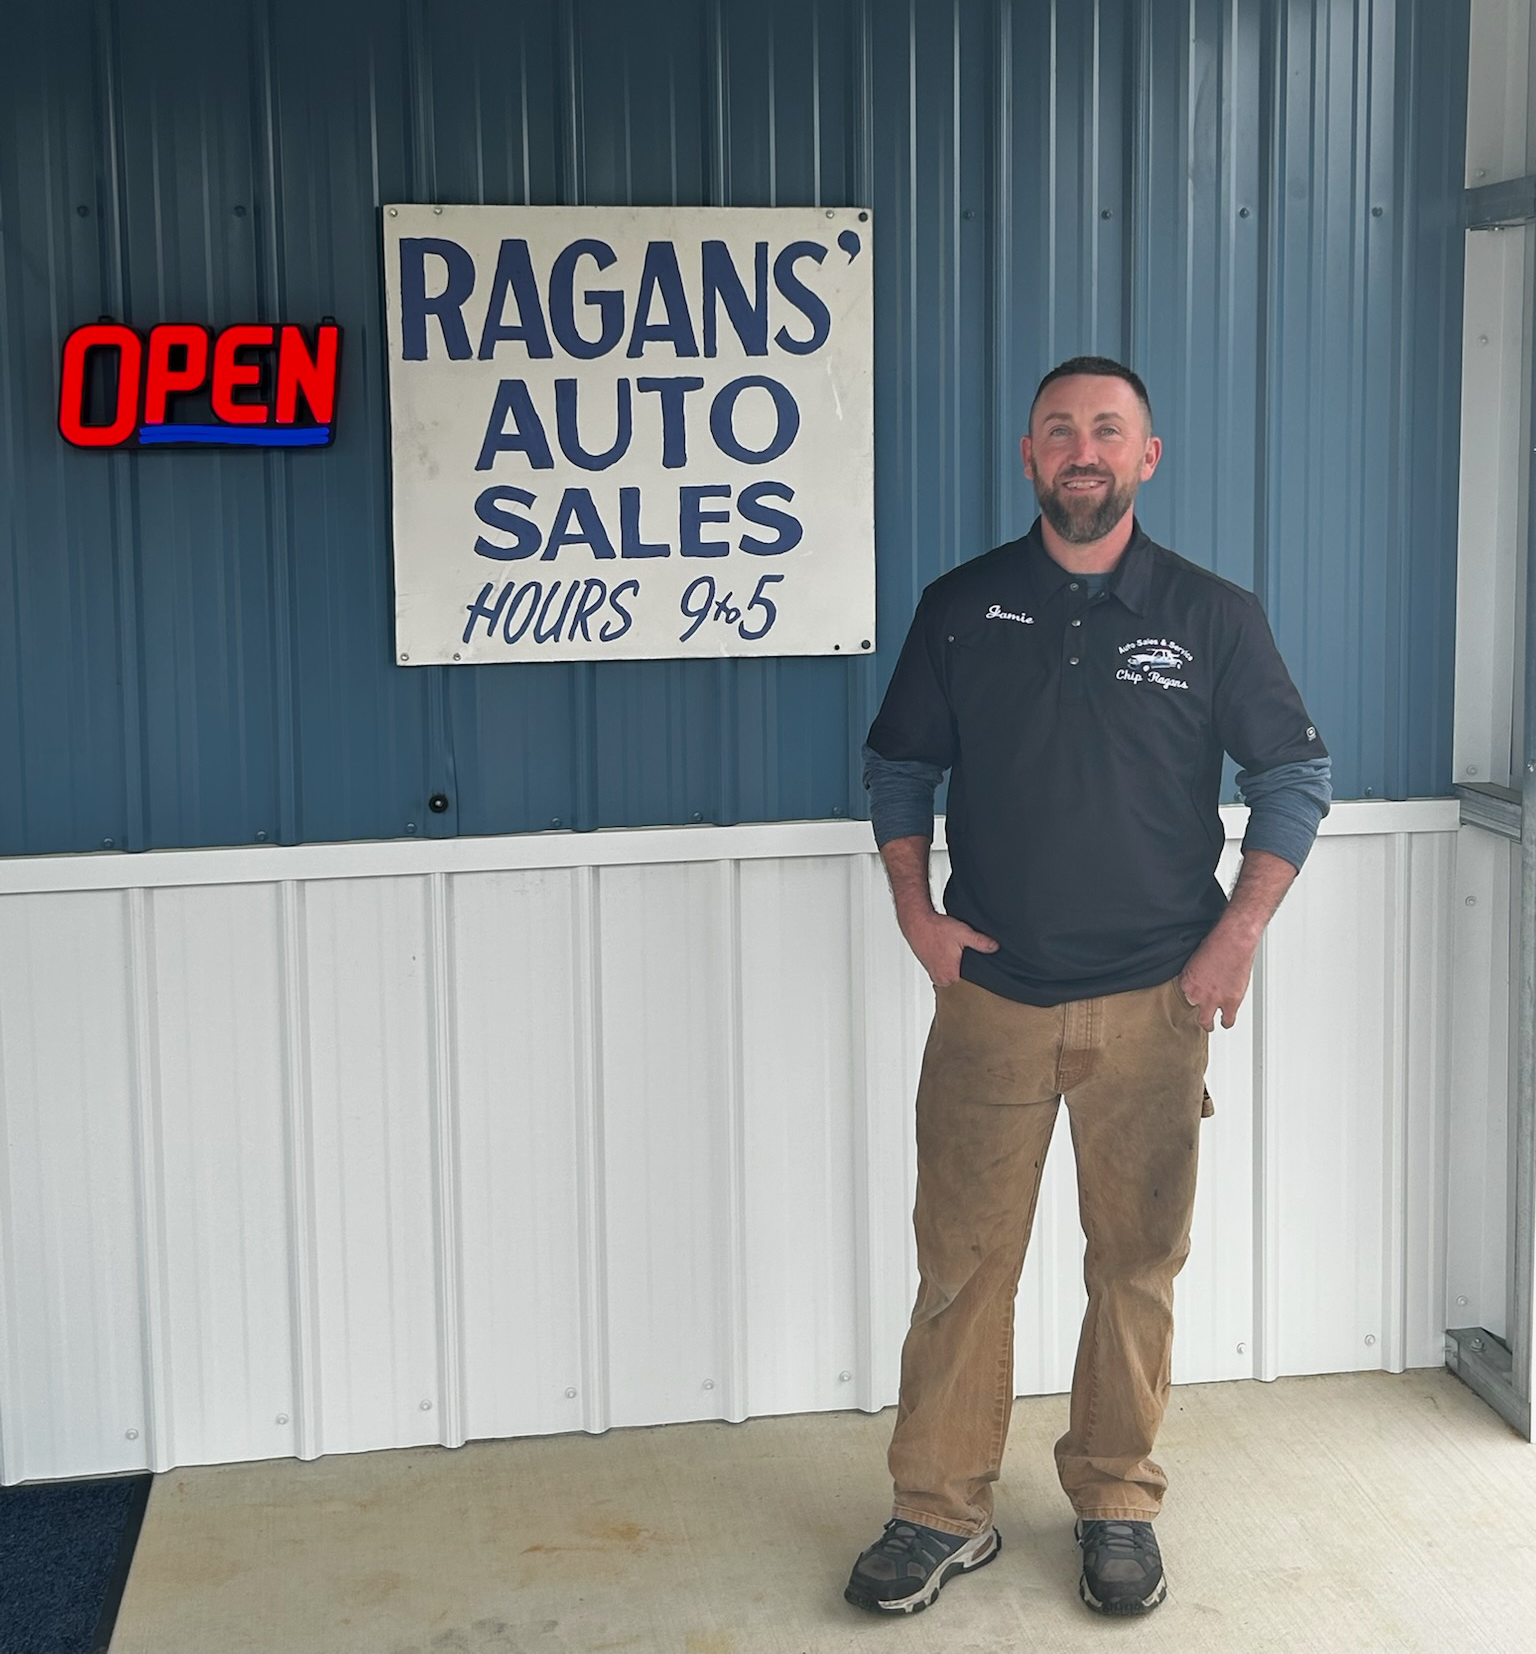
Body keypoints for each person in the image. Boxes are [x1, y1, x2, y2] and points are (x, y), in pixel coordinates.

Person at [843, 356, 1331, 1619]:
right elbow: (898, 765)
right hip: (992, 1002)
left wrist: (1236, 937)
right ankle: (938, 1510)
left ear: (1146, 458)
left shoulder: (1213, 615)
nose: (1083, 449)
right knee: (961, 1264)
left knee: (1135, 1264)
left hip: (1155, 1010)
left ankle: (1116, 1502)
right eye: (1060, 429)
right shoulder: (961, 608)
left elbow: (1294, 777)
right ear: (1028, 456)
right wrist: (916, 913)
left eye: (1108, 430)